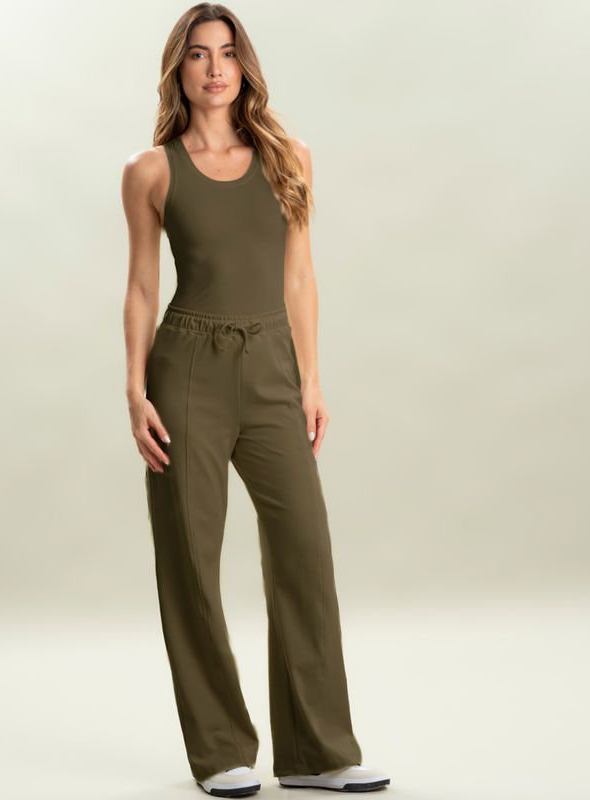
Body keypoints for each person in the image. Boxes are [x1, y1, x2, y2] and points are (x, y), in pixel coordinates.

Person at [121, 4, 391, 796]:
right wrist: (134, 388)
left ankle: (316, 753)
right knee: (190, 560)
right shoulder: (151, 170)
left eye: (228, 53)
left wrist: (311, 377)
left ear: (245, 67)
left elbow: (299, 275)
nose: (215, 68)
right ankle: (220, 752)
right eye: (198, 54)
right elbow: (142, 287)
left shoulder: (288, 157)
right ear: (178, 69)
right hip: (186, 371)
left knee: (304, 550)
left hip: (272, 366)